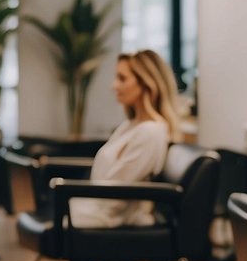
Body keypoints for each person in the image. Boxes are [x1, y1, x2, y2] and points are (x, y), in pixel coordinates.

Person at [67, 50, 182, 228]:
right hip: (98, 205)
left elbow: (116, 198)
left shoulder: (150, 132)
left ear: (146, 84)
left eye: (122, 78)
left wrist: (81, 204)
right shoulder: (131, 125)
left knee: (57, 216)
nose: (114, 85)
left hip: (113, 218)